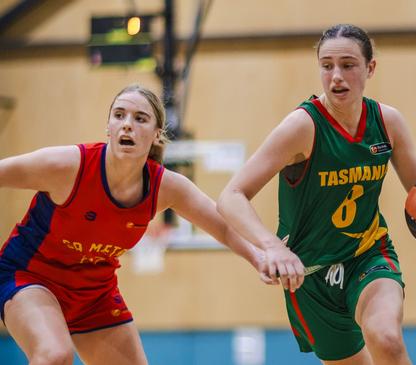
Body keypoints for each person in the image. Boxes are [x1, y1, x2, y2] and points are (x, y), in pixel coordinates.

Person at [217, 24, 416, 365]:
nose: (336, 76)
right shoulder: (302, 127)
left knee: (386, 338)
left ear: (370, 68)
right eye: (327, 66)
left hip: (367, 255)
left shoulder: (387, 122)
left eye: (348, 65)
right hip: (309, 278)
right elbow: (231, 195)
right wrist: (272, 246)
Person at [0, 84, 270, 365]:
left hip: (94, 293)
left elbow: (223, 226)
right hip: (30, 277)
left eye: (140, 118)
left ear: (156, 135)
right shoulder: (67, 166)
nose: (127, 125)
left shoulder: (166, 186)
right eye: (119, 115)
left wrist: (259, 256)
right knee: (54, 355)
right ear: (108, 126)